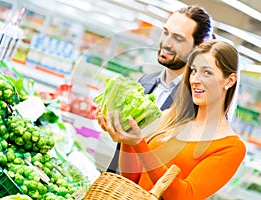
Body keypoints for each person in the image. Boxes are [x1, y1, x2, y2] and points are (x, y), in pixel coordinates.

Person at [96, 40, 246, 199]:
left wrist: (139, 144)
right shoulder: (170, 117)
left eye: (207, 72)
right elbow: (131, 179)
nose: (195, 79)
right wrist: (127, 138)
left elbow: (184, 196)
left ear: (229, 80)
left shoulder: (231, 147)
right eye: (194, 71)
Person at [106, 4, 213, 173]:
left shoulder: (197, 103)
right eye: (165, 32)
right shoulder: (145, 82)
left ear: (198, 47)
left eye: (178, 38)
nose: (166, 43)